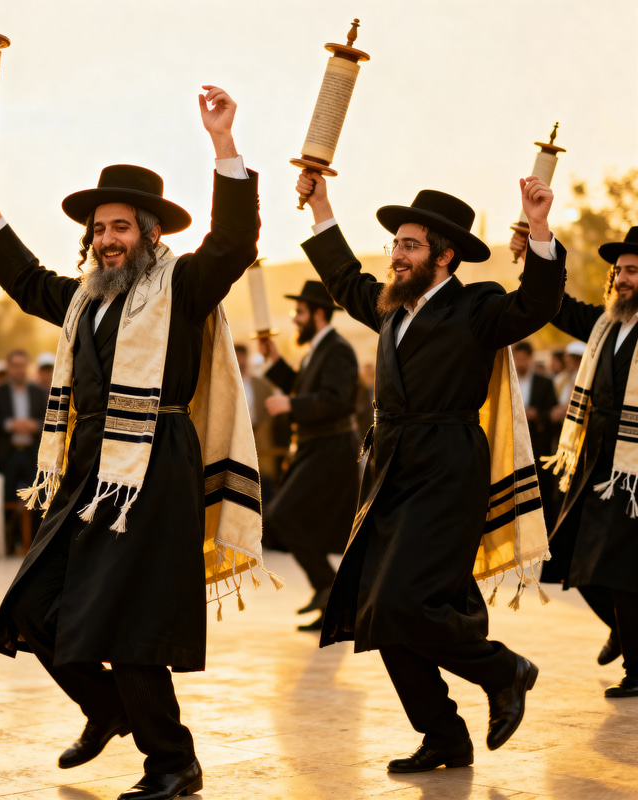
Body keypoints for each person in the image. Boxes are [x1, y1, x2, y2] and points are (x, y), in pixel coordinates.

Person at [0, 86, 269, 800]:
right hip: (89, 468)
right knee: (32, 609)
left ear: (151, 233)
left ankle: (172, 762)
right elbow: (30, 281)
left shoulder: (183, 287)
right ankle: (107, 712)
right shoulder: (85, 298)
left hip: (155, 465)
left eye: (121, 228)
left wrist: (224, 145)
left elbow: (233, 243)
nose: (107, 239)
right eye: (99, 229)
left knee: (130, 623)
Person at [295, 169, 566, 772]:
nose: (396, 255)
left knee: (403, 601)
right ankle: (443, 733)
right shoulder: (390, 307)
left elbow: (537, 303)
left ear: (444, 256)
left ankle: (504, 670)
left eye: (410, 245)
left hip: (447, 466)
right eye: (395, 243)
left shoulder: (478, 306)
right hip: (390, 465)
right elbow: (344, 279)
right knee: (379, 608)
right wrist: (322, 208)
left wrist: (541, 229)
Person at [515, 226, 638, 698]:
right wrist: (536, 255)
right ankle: (624, 630)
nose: (622, 279)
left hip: (632, 470)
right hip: (591, 461)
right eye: (619, 271)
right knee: (566, 552)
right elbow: (558, 305)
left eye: (632, 271)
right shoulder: (606, 322)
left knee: (621, 568)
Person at [258, 280, 360, 631]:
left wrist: (291, 404)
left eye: (299, 313)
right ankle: (336, 606)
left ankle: (328, 588)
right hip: (315, 449)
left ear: (318, 313)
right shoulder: (318, 349)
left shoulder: (338, 350)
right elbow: (304, 388)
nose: (295, 320)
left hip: (331, 450)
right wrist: (275, 363)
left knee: (282, 515)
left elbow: (338, 399)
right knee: (292, 520)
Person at [0, 349, 48, 552]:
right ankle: (7, 543)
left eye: (22, 365)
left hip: (32, 453)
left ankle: (36, 544)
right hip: (7, 453)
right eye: (15, 366)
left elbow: (49, 420)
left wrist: (34, 425)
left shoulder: (39, 392)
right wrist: (10, 425)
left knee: (38, 496)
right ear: (9, 367)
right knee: (5, 497)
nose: (19, 370)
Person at [512, 340, 559, 526]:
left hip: (538, 444)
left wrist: (537, 414)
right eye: (517, 359)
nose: (520, 363)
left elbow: (552, 412)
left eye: (524, 359)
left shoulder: (544, 382)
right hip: (513, 444)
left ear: (531, 359)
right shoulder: (507, 379)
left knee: (542, 490)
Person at [234, 343, 277, 500]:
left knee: (264, 482)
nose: (240, 361)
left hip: (260, 439)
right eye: (236, 357)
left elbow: (269, 411)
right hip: (236, 437)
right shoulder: (227, 383)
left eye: (242, 357)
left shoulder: (261, 384)